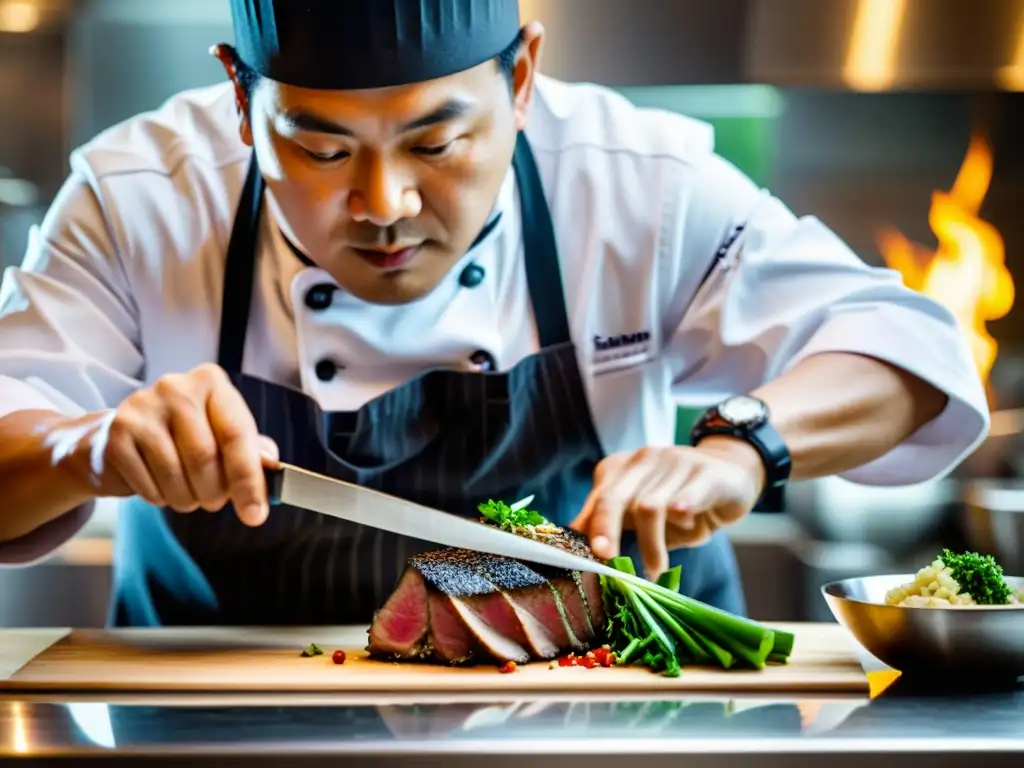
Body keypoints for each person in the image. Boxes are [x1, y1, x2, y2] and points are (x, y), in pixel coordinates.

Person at [0, 0, 988, 626]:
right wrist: (87, 445)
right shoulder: (138, 197)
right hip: (212, 728)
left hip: (611, 719)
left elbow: (907, 348)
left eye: (435, 143)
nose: (384, 203)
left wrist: (739, 448)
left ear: (519, 80)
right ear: (237, 92)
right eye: (322, 148)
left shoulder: (638, 185)